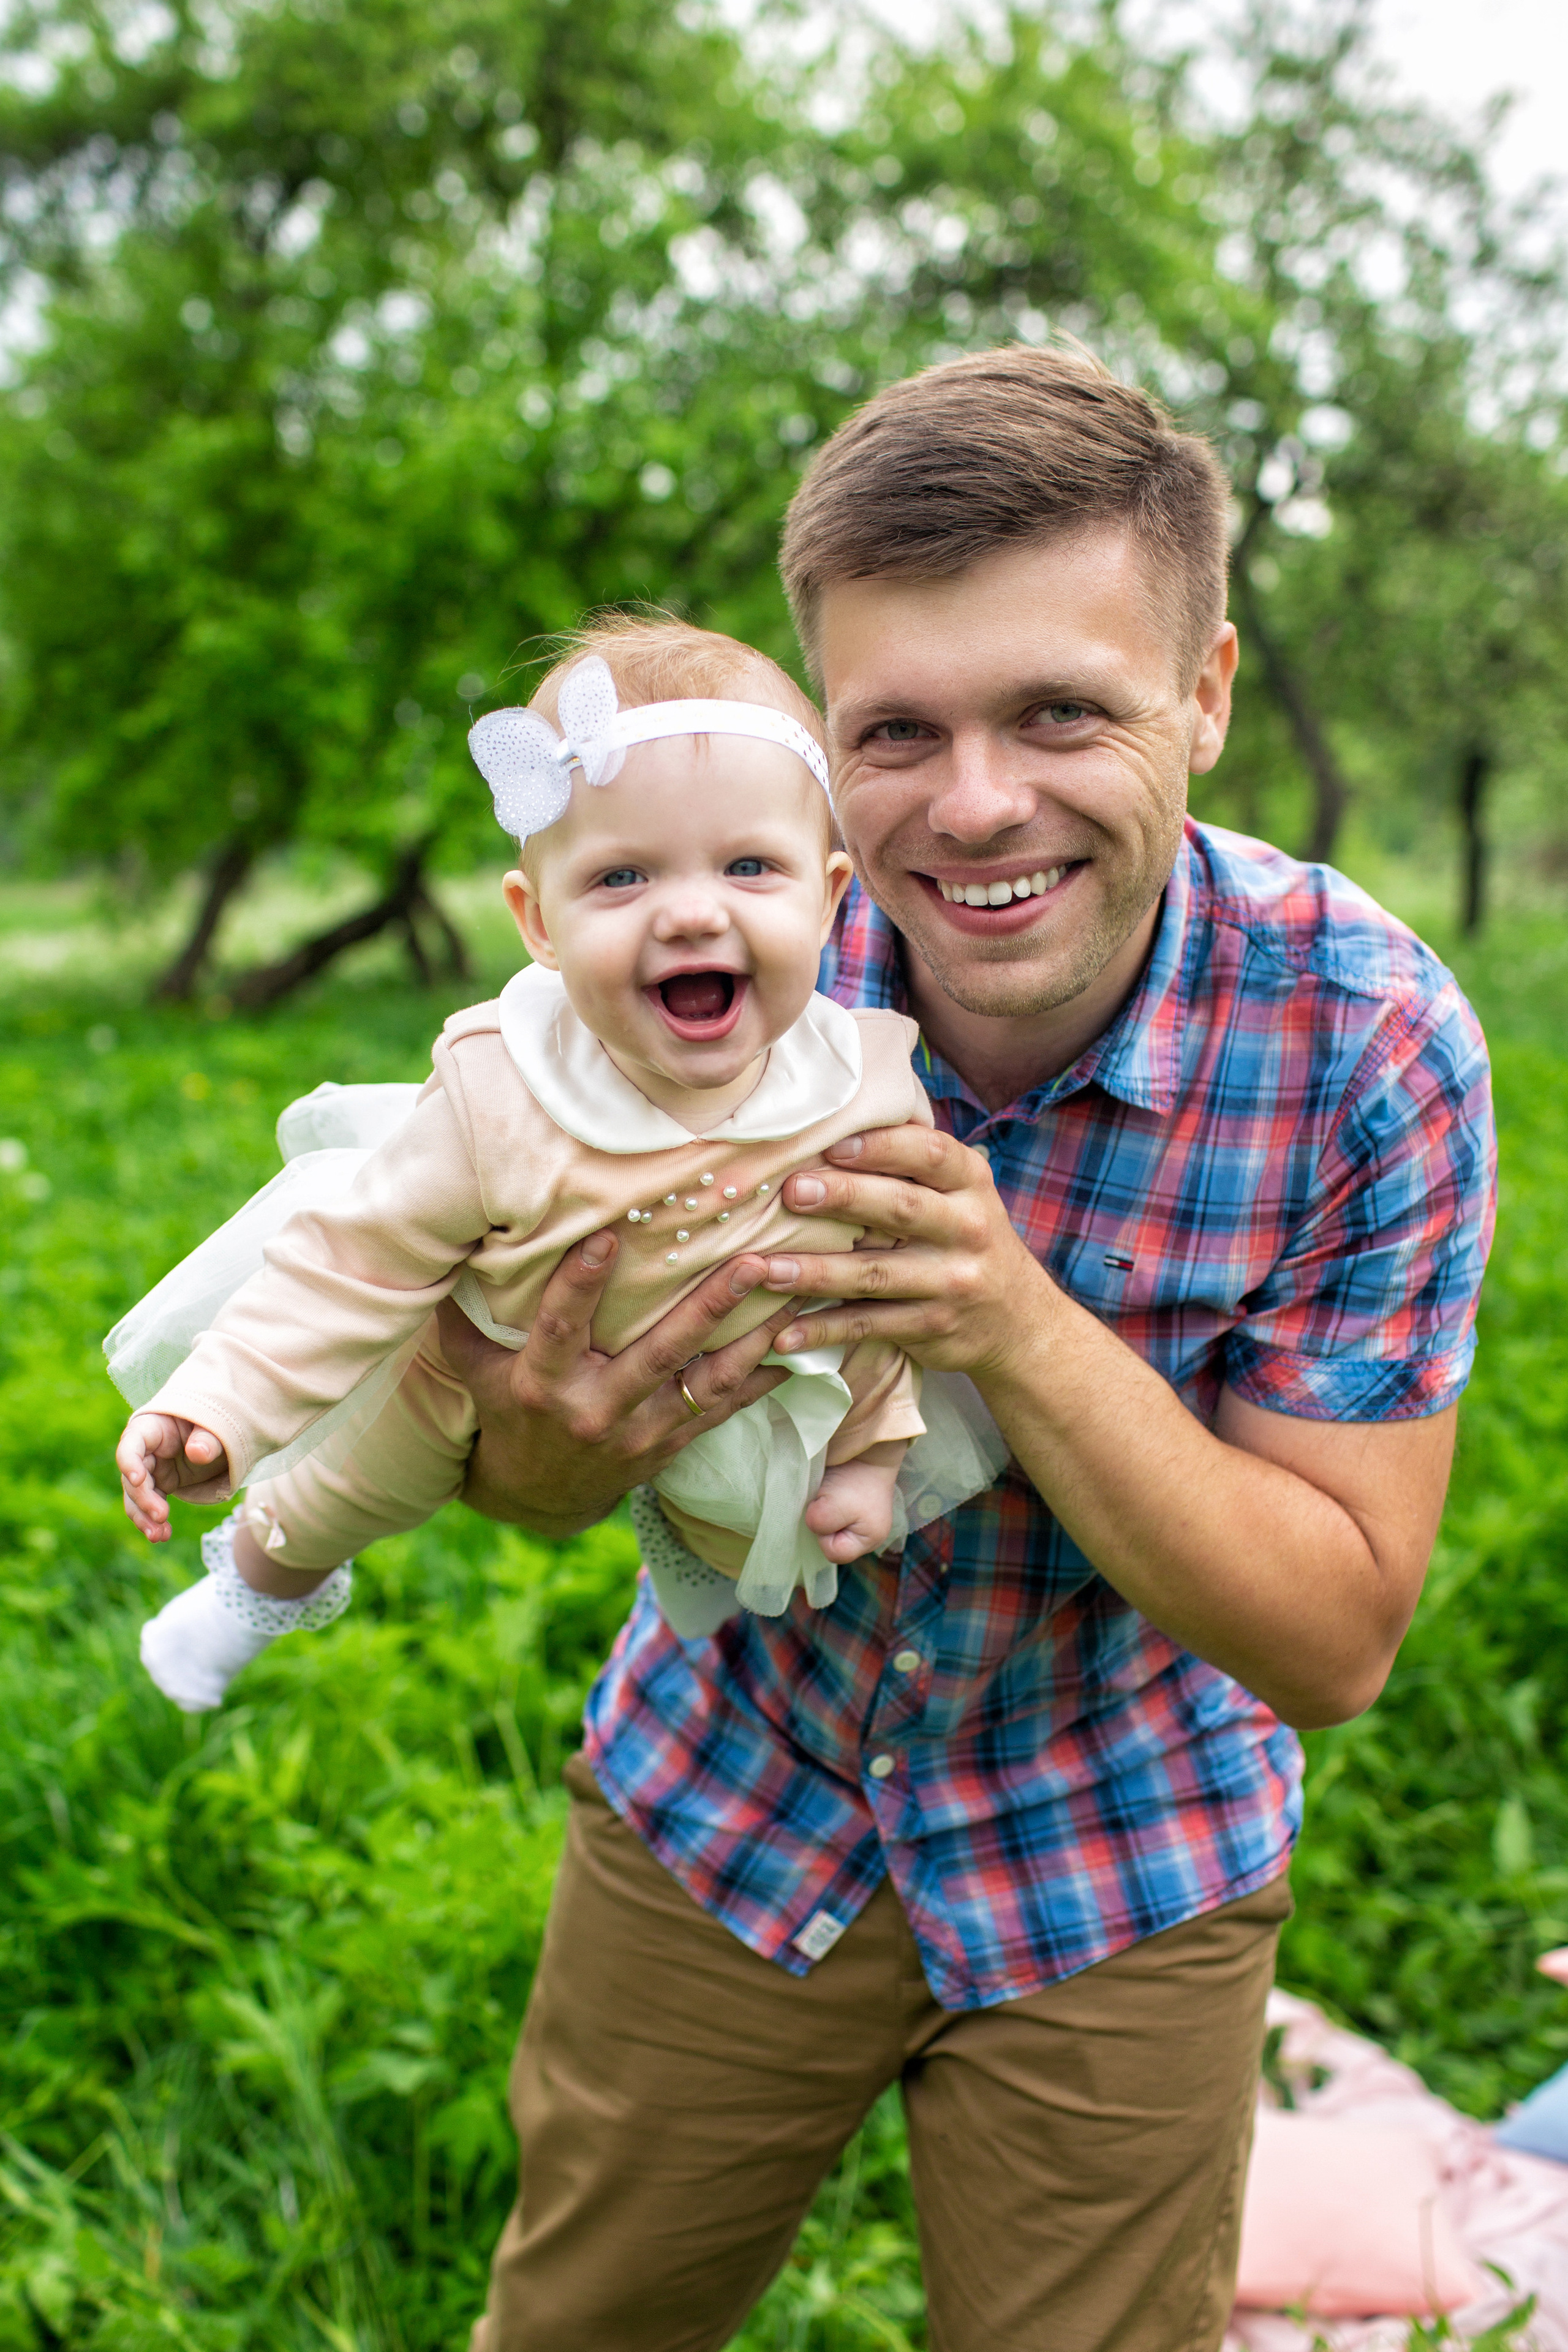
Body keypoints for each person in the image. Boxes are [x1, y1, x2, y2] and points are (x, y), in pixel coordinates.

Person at [439, 347, 1497, 2352]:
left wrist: (1005, 1313)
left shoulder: (1366, 1043)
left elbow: (1336, 1639)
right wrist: (548, 1449)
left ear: (1205, 696)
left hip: (1126, 1839)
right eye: (897, 732)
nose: (978, 802)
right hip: (730, 1793)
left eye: (1061, 712)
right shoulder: (699, 952)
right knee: (584, 2320)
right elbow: (504, 1453)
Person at [112, 618, 1002, 1713]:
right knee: (359, 1482)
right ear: (539, 922)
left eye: (748, 866)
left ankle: (746, 1648)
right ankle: (258, 1577)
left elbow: (877, 1291)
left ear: (827, 897)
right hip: (481, 1354)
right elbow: (349, 1266)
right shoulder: (503, 1092)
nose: (689, 910)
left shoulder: (859, 1084)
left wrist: (872, 1455)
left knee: (773, 1511)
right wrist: (220, 1407)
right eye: (622, 876)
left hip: (743, 1385)